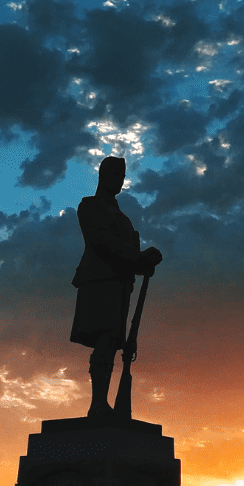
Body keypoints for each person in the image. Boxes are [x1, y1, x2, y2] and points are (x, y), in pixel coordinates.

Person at [70, 156, 162, 417]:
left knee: (110, 342)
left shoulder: (124, 220)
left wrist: (144, 262)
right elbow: (102, 241)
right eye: (114, 174)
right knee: (104, 337)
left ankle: (101, 403)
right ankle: (97, 403)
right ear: (102, 175)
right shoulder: (90, 206)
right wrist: (139, 258)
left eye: (122, 176)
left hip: (120, 286)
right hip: (99, 281)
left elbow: (128, 254)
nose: (119, 180)